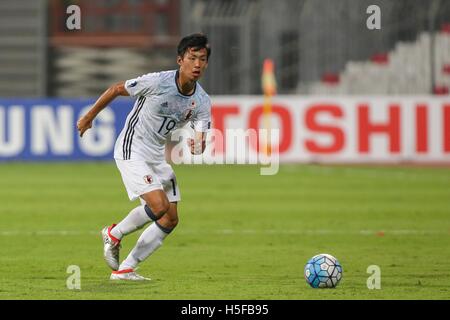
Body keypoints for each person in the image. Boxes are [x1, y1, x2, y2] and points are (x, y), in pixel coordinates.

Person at [76, 33, 211, 281]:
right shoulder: (158, 82)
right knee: (158, 206)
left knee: (170, 219)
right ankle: (114, 233)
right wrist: (89, 116)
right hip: (132, 148)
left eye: (202, 59)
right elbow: (117, 88)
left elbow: (201, 142)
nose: (198, 64)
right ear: (180, 60)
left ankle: (126, 269)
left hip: (156, 156)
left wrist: (197, 146)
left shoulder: (202, 102)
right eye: (192, 58)